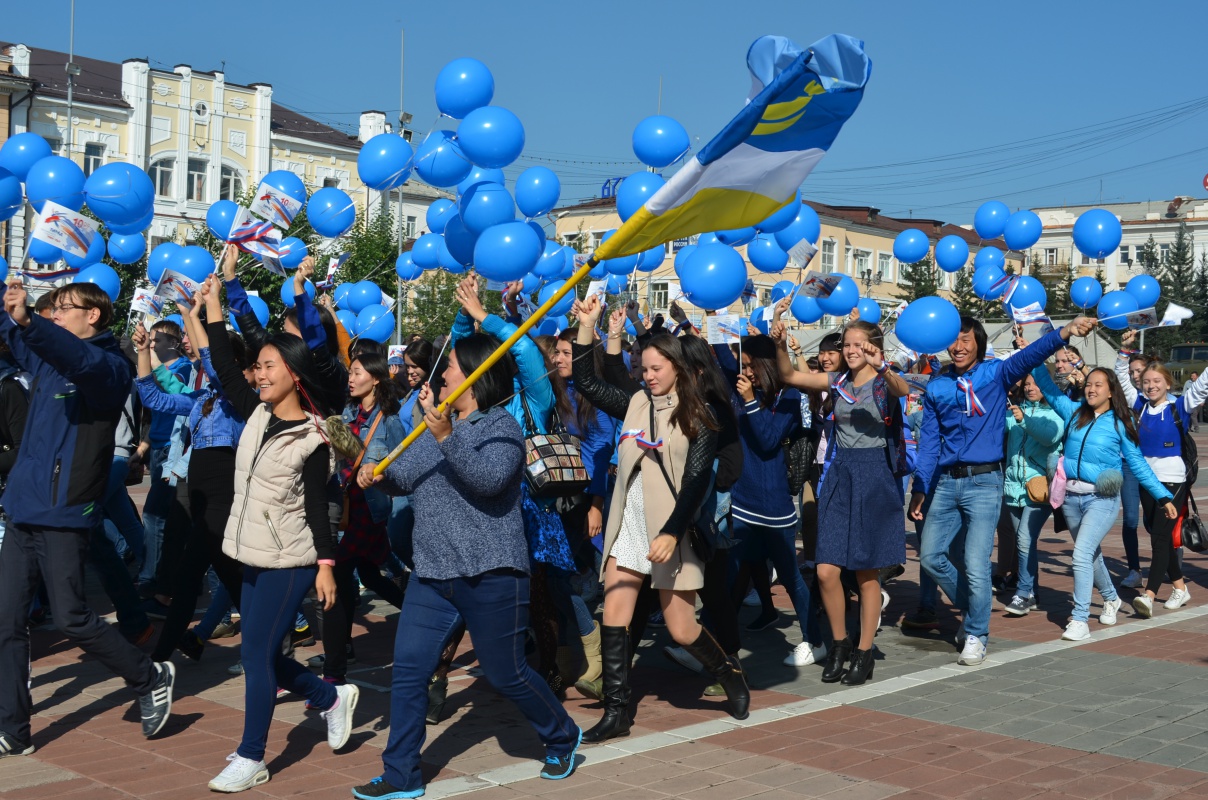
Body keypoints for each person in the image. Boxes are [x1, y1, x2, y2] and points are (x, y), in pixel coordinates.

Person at [353, 333, 582, 800]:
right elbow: (407, 476)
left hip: (491, 571)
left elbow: (489, 480)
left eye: (452, 365)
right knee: (410, 672)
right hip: (432, 573)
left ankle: (562, 735)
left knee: (506, 672)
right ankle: (401, 774)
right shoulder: (437, 422)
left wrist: (446, 437)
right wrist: (377, 475)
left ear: (476, 377)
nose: (442, 374)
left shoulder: (501, 427)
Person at [0, 280, 175, 758]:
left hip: (63, 510)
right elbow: (13, 332)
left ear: (93, 315)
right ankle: (13, 728)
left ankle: (148, 675)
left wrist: (30, 322)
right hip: (23, 506)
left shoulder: (110, 366)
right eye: (50, 309)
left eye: (63, 307)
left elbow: (77, 360)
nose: (53, 314)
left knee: (72, 617)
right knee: (6, 621)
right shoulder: (47, 357)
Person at [201, 274, 357, 792]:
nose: (259, 374)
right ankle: (330, 697)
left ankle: (252, 757)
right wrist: (214, 306)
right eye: (259, 366)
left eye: (269, 366)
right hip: (253, 552)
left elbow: (318, 507)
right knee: (262, 653)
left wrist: (326, 567)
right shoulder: (256, 414)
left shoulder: (312, 438)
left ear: (293, 373)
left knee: (254, 657)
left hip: (292, 560)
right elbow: (224, 366)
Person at [571, 295, 749, 743]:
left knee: (681, 627)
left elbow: (696, 482)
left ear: (678, 368)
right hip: (628, 523)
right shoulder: (636, 403)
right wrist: (588, 327)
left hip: (672, 528)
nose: (648, 376)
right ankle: (616, 711)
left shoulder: (700, 414)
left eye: (656, 369)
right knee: (615, 613)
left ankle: (729, 673)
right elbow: (586, 380)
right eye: (644, 369)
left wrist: (671, 532)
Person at [909, 315, 1096, 666]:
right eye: (954, 340)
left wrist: (1066, 332)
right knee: (932, 557)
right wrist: (921, 486)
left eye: (966, 340)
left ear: (979, 344)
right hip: (945, 482)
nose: (958, 347)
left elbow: (1030, 355)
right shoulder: (937, 385)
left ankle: (976, 633)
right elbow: (930, 442)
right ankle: (973, 608)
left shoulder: (995, 374)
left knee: (976, 563)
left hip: (984, 482)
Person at [772, 318, 909, 684]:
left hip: (874, 475)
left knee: (865, 572)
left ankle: (864, 652)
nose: (849, 351)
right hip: (840, 473)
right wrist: (780, 343)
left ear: (873, 346)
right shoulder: (838, 381)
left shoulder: (881, 382)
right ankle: (839, 643)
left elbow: (902, 389)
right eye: (846, 344)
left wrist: (882, 365)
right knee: (826, 570)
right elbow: (789, 375)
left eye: (857, 344)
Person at [133, 297, 250, 664]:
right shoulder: (201, 398)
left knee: (195, 579)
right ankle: (272, 648)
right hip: (200, 499)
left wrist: (190, 315)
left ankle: (160, 660)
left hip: (221, 498)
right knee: (229, 581)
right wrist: (143, 352)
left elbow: (214, 364)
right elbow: (154, 397)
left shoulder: (239, 399)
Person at [1032, 364, 1175, 640]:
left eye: (1098, 385)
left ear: (1110, 391)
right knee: (1090, 554)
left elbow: (1137, 463)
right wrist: (1036, 358)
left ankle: (1079, 619)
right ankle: (1111, 598)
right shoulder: (1074, 412)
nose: (1091, 389)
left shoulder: (1121, 421)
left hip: (1101, 499)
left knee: (1080, 555)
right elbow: (1048, 389)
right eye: (1088, 384)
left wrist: (1162, 496)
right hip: (1070, 498)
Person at [714, 329, 823, 667]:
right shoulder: (738, 386)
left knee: (791, 577)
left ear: (768, 365)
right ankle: (710, 643)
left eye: (751, 366)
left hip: (774, 508)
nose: (745, 372)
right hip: (741, 502)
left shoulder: (789, 397)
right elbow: (722, 354)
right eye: (743, 366)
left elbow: (768, 441)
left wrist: (749, 402)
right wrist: (711, 315)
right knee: (727, 575)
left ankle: (815, 640)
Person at [313, 351, 406, 684]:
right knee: (369, 572)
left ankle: (338, 657)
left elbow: (403, 465)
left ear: (376, 379)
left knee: (337, 573)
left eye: (357, 373)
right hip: (345, 505)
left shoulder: (390, 419)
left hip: (369, 509)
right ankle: (414, 612)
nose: (350, 379)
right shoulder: (346, 413)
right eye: (350, 373)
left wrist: (378, 471)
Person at [1116, 333, 1205, 616]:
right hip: (1146, 480)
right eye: (1146, 382)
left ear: (1168, 383)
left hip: (1173, 481)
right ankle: (1180, 587)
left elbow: (1202, 386)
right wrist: (1124, 351)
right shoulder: (1139, 405)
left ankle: (1149, 594)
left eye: (1157, 381)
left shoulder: (1180, 406)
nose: (1151, 385)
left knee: (1160, 539)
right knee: (1158, 535)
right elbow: (1121, 378)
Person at [1001, 373, 1063, 616]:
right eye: (1026, 384)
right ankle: (1033, 593)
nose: (1030, 388)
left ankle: (1023, 592)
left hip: (1039, 488)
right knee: (1024, 542)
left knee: (1025, 540)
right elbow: (996, 427)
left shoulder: (1056, 413)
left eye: (1035, 384)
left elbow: (1050, 437)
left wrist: (1024, 420)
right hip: (1013, 487)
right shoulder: (1014, 411)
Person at [1120, 351, 1153, 589]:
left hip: (1154, 466)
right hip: (1129, 465)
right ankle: (1134, 570)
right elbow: (1120, 377)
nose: (1135, 375)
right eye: (1132, 372)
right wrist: (1123, 352)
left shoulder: (1167, 401)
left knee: (1155, 520)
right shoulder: (1130, 398)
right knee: (1130, 518)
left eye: (1139, 370)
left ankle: (1171, 562)